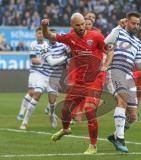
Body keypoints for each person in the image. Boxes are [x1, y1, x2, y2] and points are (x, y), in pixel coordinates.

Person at [41, 13, 108, 155]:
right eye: (78, 25)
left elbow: (109, 51)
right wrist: (44, 26)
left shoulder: (96, 36)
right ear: (72, 26)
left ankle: (93, 146)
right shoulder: (69, 37)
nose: (82, 27)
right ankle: (66, 129)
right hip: (78, 81)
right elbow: (49, 36)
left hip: (95, 80)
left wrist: (105, 65)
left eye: (83, 23)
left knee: (90, 111)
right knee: (65, 111)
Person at [104, 11, 141, 153]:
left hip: (128, 75)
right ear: (126, 22)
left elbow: (139, 64)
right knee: (122, 100)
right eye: (133, 23)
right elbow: (106, 42)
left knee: (132, 116)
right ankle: (120, 139)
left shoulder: (138, 42)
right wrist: (117, 27)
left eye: (138, 24)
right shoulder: (119, 32)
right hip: (115, 70)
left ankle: (115, 136)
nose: (136, 26)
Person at [19, 28, 69, 130]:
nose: (52, 38)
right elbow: (52, 62)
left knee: (52, 102)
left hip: (54, 77)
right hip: (43, 75)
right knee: (36, 95)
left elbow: (71, 54)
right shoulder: (44, 47)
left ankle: (51, 114)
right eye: (50, 36)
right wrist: (65, 58)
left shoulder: (63, 46)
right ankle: (25, 122)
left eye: (54, 36)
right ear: (48, 37)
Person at [17, 27, 47, 121]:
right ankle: (21, 112)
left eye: (42, 33)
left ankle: (50, 109)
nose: (40, 35)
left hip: (44, 73)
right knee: (31, 92)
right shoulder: (33, 44)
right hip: (34, 72)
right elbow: (34, 60)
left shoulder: (47, 45)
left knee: (40, 94)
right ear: (36, 35)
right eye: (38, 33)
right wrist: (46, 61)